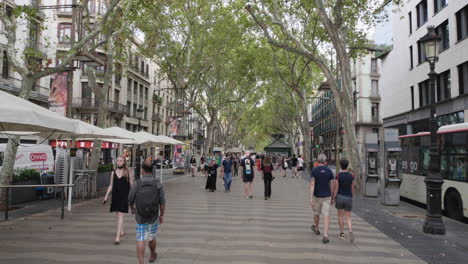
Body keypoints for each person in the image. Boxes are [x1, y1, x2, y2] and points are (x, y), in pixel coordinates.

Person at [128, 160, 165, 264]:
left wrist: (132, 209)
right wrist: (161, 215)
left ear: (142, 170)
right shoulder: (157, 183)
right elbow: (162, 201)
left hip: (140, 216)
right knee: (151, 237)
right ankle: (152, 254)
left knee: (140, 239)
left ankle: (141, 262)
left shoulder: (137, 183)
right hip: (153, 216)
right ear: (152, 170)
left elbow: (130, 199)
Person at [103, 156, 133, 245]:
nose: (119, 162)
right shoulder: (113, 173)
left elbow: (132, 185)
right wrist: (106, 196)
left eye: (121, 161)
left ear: (124, 162)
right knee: (118, 213)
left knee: (120, 214)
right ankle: (122, 230)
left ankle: (117, 237)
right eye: (118, 161)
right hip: (116, 196)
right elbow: (111, 185)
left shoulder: (128, 172)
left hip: (124, 196)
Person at [310, 154, 335, 244]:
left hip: (317, 196)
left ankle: (316, 228)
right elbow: (332, 184)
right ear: (325, 162)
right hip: (327, 196)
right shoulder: (329, 171)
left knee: (316, 213)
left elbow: (312, 184)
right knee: (326, 215)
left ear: (317, 161)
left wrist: (311, 198)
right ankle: (325, 235)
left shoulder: (314, 170)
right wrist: (332, 196)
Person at [333, 159, 355, 242]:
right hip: (348, 198)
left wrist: (333, 197)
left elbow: (336, 188)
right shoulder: (351, 176)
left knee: (340, 216)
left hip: (340, 197)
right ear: (347, 165)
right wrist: (352, 196)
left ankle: (341, 233)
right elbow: (353, 187)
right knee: (348, 216)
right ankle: (350, 230)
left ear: (340, 166)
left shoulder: (338, 176)